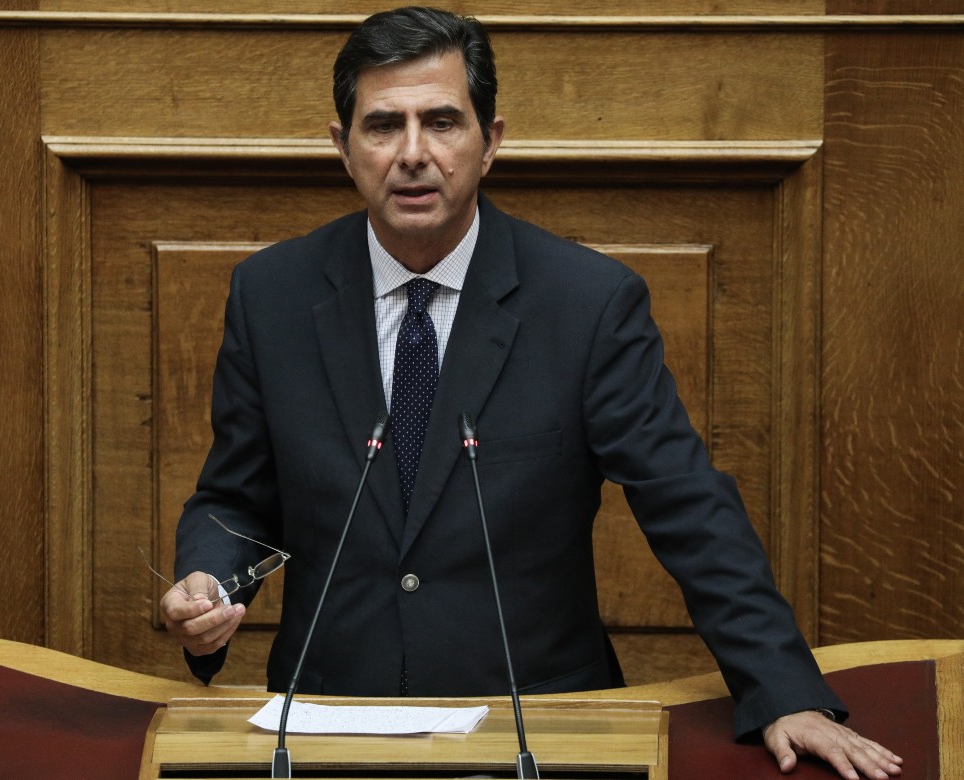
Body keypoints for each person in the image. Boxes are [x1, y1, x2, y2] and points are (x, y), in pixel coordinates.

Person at [161, 7, 902, 779]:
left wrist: (782, 690)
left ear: (490, 142)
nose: (412, 154)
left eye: (441, 122)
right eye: (383, 126)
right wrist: (210, 581)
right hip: (327, 725)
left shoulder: (587, 304)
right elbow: (235, 499)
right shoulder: (271, 296)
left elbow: (687, 503)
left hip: (539, 728)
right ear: (342, 147)